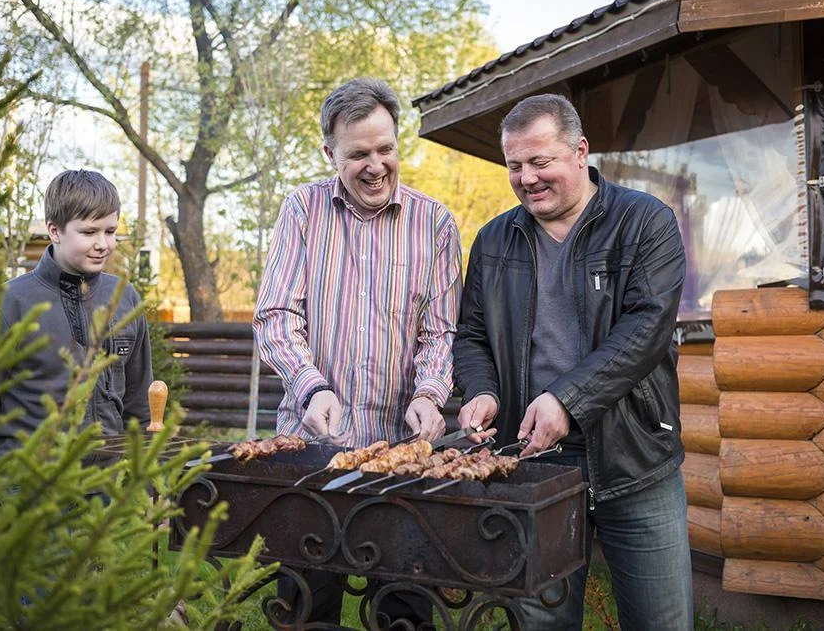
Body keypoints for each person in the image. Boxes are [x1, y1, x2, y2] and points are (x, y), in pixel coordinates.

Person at [454, 94, 692, 630]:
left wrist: (567, 399)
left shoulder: (645, 221)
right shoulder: (494, 240)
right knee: (540, 622)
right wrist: (482, 391)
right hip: (534, 464)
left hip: (636, 462)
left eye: (540, 162)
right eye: (515, 166)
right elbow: (471, 335)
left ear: (580, 151)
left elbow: (647, 328)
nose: (526, 178)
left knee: (661, 622)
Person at [253, 77, 462, 626]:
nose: (376, 165)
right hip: (312, 452)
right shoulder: (301, 210)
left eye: (385, 148)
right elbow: (275, 316)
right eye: (359, 154)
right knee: (307, 609)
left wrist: (430, 393)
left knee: (402, 611)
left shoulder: (435, 223)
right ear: (330, 153)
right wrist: (311, 386)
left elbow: (441, 333)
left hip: (401, 457)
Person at [0, 169, 152, 465]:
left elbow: (138, 403)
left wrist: (142, 485)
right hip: (28, 490)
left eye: (110, 231)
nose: (103, 244)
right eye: (89, 232)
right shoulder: (9, 304)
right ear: (54, 231)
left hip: (108, 490)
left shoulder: (124, 297)